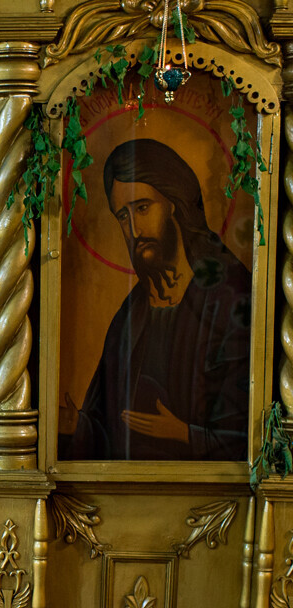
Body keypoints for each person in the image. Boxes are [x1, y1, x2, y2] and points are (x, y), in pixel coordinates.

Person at [60, 138, 251, 461]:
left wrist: (186, 435)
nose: (134, 229)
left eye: (142, 208)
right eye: (123, 215)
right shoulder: (131, 313)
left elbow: (253, 423)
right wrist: (78, 425)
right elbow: (108, 424)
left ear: (173, 201)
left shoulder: (229, 294)